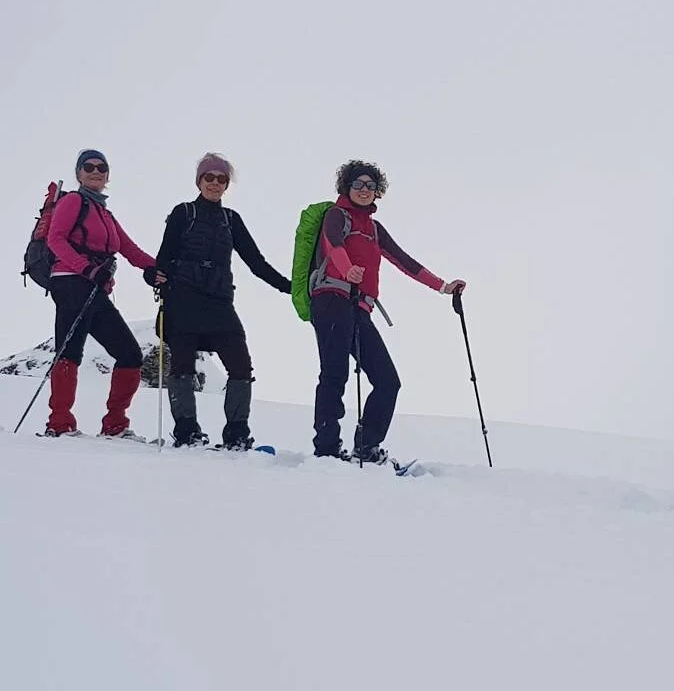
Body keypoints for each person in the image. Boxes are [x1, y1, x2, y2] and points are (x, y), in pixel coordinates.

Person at [309, 159, 465, 466]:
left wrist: (443, 287)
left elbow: (404, 261)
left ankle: (366, 446)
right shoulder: (336, 215)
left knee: (387, 380)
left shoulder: (374, 229)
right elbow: (333, 244)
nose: (364, 190)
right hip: (331, 300)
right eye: (358, 185)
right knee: (334, 373)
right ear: (347, 187)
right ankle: (326, 449)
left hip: (359, 307)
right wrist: (347, 270)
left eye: (370, 186)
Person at [153, 153, 293, 449]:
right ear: (199, 181)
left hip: (219, 302)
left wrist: (291, 288)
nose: (215, 183)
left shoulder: (232, 220)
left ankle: (237, 434)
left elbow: (256, 262)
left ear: (227, 184)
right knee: (182, 367)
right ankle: (187, 431)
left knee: (241, 366)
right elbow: (163, 257)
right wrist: (154, 275)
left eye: (221, 179)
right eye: (209, 178)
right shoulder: (183, 213)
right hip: (183, 299)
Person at [44, 149, 160, 439]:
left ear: (107, 175)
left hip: (95, 288)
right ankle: (60, 424)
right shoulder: (73, 201)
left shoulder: (105, 214)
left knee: (130, 354)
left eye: (102, 167)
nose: (96, 171)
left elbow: (130, 249)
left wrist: (159, 270)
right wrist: (87, 269)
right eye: (89, 166)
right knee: (69, 350)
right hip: (71, 282)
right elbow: (55, 239)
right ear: (79, 173)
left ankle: (115, 424)